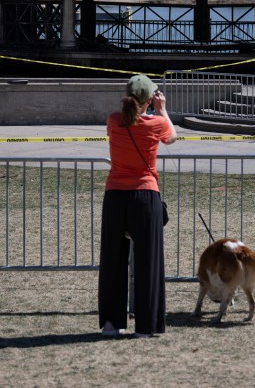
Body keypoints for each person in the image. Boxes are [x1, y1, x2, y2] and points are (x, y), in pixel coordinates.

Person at [98, 74, 177, 338]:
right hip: (145, 195)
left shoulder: (113, 120)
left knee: (112, 260)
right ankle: (146, 326)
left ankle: (111, 324)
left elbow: (126, 122)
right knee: (148, 262)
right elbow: (172, 137)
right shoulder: (156, 123)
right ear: (148, 100)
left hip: (115, 195)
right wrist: (163, 110)